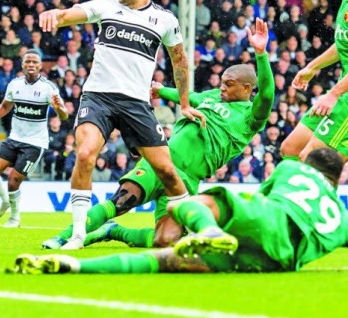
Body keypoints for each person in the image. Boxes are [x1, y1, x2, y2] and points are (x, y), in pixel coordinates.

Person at [42, 19, 274, 249]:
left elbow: (266, 94)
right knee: (123, 200)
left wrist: (261, 54)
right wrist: (161, 90)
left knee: (166, 241)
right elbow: (190, 97)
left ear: (246, 88)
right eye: (222, 82)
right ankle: (64, 237)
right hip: (162, 160)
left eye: (229, 84)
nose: (222, 87)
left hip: (188, 179)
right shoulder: (213, 96)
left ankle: (113, 231)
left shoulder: (250, 117)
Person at [38, 0, 204, 249]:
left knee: (167, 171)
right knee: (85, 154)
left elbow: (179, 61)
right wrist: (57, 14)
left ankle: (196, 229)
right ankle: (78, 235)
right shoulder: (106, 6)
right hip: (98, 97)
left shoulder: (164, 19)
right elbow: (70, 14)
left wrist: (185, 104)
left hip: (136, 103)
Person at [11, 148, 348, 274]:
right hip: (279, 260)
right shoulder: (341, 218)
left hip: (266, 219)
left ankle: (210, 230)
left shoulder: (292, 169)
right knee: (169, 258)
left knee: (186, 205)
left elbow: (262, 199)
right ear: (336, 180)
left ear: (308, 164)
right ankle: (75, 266)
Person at [0, 51, 69, 227]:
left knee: (13, 180)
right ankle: (5, 201)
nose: (31, 64)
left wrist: (59, 109)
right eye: (28, 61)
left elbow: (64, 116)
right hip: (14, 139)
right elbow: (4, 107)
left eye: (34, 62)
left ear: (40, 66)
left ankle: (14, 217)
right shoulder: (15, 84)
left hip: (35, 143)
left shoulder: (48, 88)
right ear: (23, 64)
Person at [281, 0, 348, 162]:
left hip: (344, 97)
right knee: (290, 149)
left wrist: (333, 94)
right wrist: (312, 67)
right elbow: (342, 44)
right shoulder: (345, 0)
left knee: (311, 159)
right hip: (343, 90)